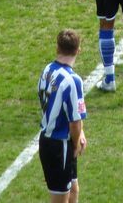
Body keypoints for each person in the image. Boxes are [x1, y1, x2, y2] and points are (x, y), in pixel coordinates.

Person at [37, 29, 87, 203]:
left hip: (53, 142)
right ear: (78, 50)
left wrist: (79, 134)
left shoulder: (47, 70)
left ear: (57, 48)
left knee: (74, 190)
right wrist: (76, 142)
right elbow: (75, 122)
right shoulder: (73, 81)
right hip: (58, 146)